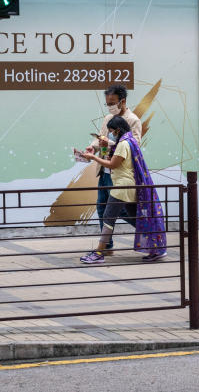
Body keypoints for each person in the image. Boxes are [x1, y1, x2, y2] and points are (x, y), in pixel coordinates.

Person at [75, 116, 167, 263]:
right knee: (135, 219)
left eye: (111, 131)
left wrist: (93, 157)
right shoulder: (127, 141)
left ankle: (99, 252)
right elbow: (111, 157)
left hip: (122, 187)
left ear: (117, 130)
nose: (110, 134)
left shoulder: (124, 144)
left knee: (108, 217)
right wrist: (101, 148)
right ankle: (156, 248)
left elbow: (113, 164)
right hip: (129, 187)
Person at [83, 85, 143, 253]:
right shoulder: (108, 117)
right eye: (107, 103)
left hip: (119, 171)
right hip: (104, 170)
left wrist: (108, 145)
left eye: (112, 102)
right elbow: (101, 137)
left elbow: (134, 145)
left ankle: (150, 230)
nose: (110, 106)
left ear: (122, 101)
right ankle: (107, 246)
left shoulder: (133, 120)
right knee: (102, 207)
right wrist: (92, 148)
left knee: (122, 210)